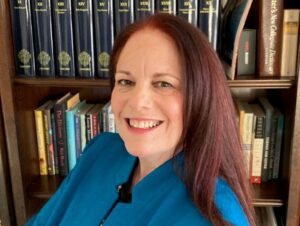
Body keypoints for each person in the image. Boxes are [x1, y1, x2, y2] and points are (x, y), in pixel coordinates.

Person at [27, 14, 255, 226]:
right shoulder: (100, 151)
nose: (137, 102)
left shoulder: (216, 215)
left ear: (201, 96)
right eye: (126, 81)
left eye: (163, 84)